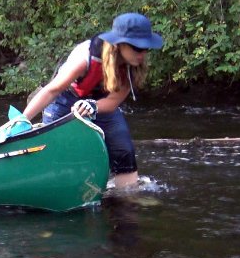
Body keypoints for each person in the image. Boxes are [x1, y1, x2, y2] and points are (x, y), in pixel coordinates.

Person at [21, 12, 164, 190]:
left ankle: (126, 198)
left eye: (146, 48)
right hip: (64, 99)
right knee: (57, 152)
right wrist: (22, 120)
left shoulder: (133, 69)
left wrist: (93, 105)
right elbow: (52, 90)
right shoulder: (85, 59)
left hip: (99, 103)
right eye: (137, 47)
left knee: (123, 149)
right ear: (119, 45)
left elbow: (112, 102)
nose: (142, 53)